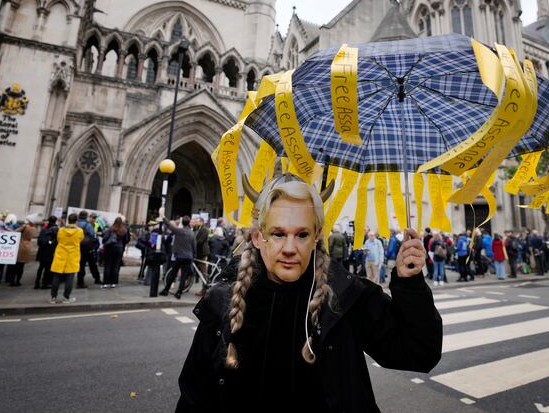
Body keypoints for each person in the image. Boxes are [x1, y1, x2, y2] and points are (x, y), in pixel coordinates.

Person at [176, 174, 441, 411]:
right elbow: (194, 397)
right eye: (278, 234)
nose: (290, 247)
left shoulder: (346, 295)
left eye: (301, 234)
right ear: (258, 238)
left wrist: (409, 284)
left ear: (316, 235)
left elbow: (419, 352)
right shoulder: (223, 302)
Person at [160, 215, 197, 299]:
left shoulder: (178, 231)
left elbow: (168, 224)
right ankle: (179, 293)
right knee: (183, 276)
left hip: (179, 256)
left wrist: (163, 217)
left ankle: (166, 290)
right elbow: (194, 246)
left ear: (182, 223)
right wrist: (194, 256)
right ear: (188, 223)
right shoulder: (192, 233)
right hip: (188, 257)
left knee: (173, 273)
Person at [50, 214, 84, 304]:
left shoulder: (61, 230)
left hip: (61, 254)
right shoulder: (80, 231)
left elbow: (58, 239)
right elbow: (80, 240)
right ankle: (66, 297)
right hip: (72, 256)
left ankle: (53, 297)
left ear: (68, 220)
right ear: (76, 221)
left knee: (56, 276)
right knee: (70, 278)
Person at [102, 217, 130, 288]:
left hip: (110, 248)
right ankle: (113, 282)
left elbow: (105, 238)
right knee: (116, 266)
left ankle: (105, 282)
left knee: (108, 265)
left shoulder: (110, 229)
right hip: (119, 248)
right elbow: (126, 240)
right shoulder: (124, 230)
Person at [76, 210, 101, 287]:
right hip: (87, 247)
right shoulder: (88, 225)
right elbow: (93, 235)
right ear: (86, 217)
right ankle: (97, 278)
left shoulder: (75, 224)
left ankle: (80, 281)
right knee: (92, 264)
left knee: (81, 265)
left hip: (77, 246)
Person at [35, 216, 58, 289]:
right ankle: (45, 283)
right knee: (48, 268)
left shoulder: (43, 230)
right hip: (50, 251)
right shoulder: (56, 230)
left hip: (42, 251)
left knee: (41, 267)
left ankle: (37, 283)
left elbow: (39, 242)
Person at [193, 218, 211, 296]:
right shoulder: (198, 229)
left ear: (201, 222)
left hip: (202, 254)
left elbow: (200, 241)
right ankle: (185, 285)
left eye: (197, 222)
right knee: (195, 270)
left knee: (203, 272)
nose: (196, 223)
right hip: (198, 253)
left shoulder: (204, 230)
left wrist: (193, 243)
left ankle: (205, 289)